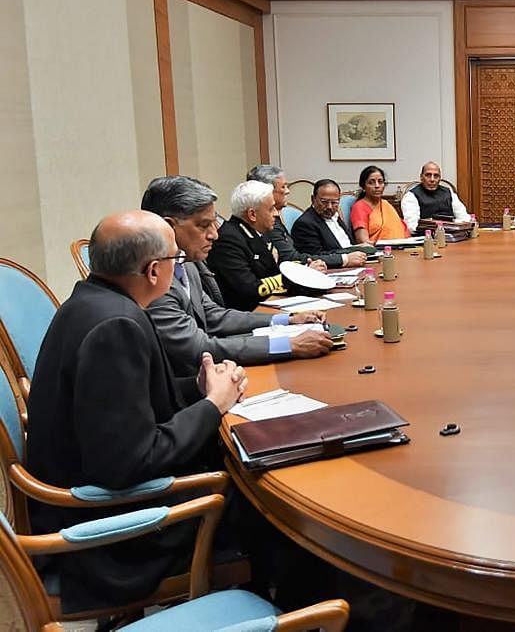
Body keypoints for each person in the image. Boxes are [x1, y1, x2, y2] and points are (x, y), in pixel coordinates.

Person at [24, 210, 246, 612]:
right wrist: (214, 405)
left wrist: (198, 389)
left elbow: (129, 400)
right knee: (260, 499)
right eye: (176, 260)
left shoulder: (91, 301)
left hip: (88, 490)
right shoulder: (116, 326)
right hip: (110, 538)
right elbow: (130, 462)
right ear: (153, 270)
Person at [142, 175, 333, 376]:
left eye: (213, 223)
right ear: (169, 228)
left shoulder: (186, 262)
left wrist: (288, 320)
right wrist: (288, 345)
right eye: (203, 225)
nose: (214, 234)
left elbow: (213, 315)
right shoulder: (154, 279)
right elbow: (197, 348)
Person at [207, 180, 291, 311]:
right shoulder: (227, 240)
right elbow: (250, 289)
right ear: (252, 214)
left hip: (273, 304)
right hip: (249, 313)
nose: (276, 213)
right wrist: (294, 278)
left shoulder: (259, 232)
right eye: (271, 209)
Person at [249, 163, 349, 270]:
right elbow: (290, 258)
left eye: (334, 202)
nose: (288, 191)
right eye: (283, 187)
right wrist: (343, 259)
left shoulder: (275, 219)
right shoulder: (265, 222)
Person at [291, 179, 371, 267]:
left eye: (334, 202)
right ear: (313, 199)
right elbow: (315, 257)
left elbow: (345, 245)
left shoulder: (334, 216)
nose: (329, 207)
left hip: (354, 263)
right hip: (333, 270)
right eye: (324, 202)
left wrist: (358, 247)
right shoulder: (305, 224)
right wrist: (347, 257)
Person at [400, 161, 469, 232]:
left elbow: (464, 218)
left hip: (452, 235)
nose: (432, 179)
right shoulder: (411, 196)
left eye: (436, 176)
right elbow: (412, 226)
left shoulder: (449, 192)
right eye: (428, 175)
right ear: (421, 177)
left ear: (440, 178)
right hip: (425, 238)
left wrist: (452, 225)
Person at [350, 165, 410, 244]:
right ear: (363, 186)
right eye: (371, 182)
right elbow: (363, 241)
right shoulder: (359, 207)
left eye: (380, 182)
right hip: (379, 252)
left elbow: (403, 230)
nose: (377, 186)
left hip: (403, 248)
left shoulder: (386, 204)